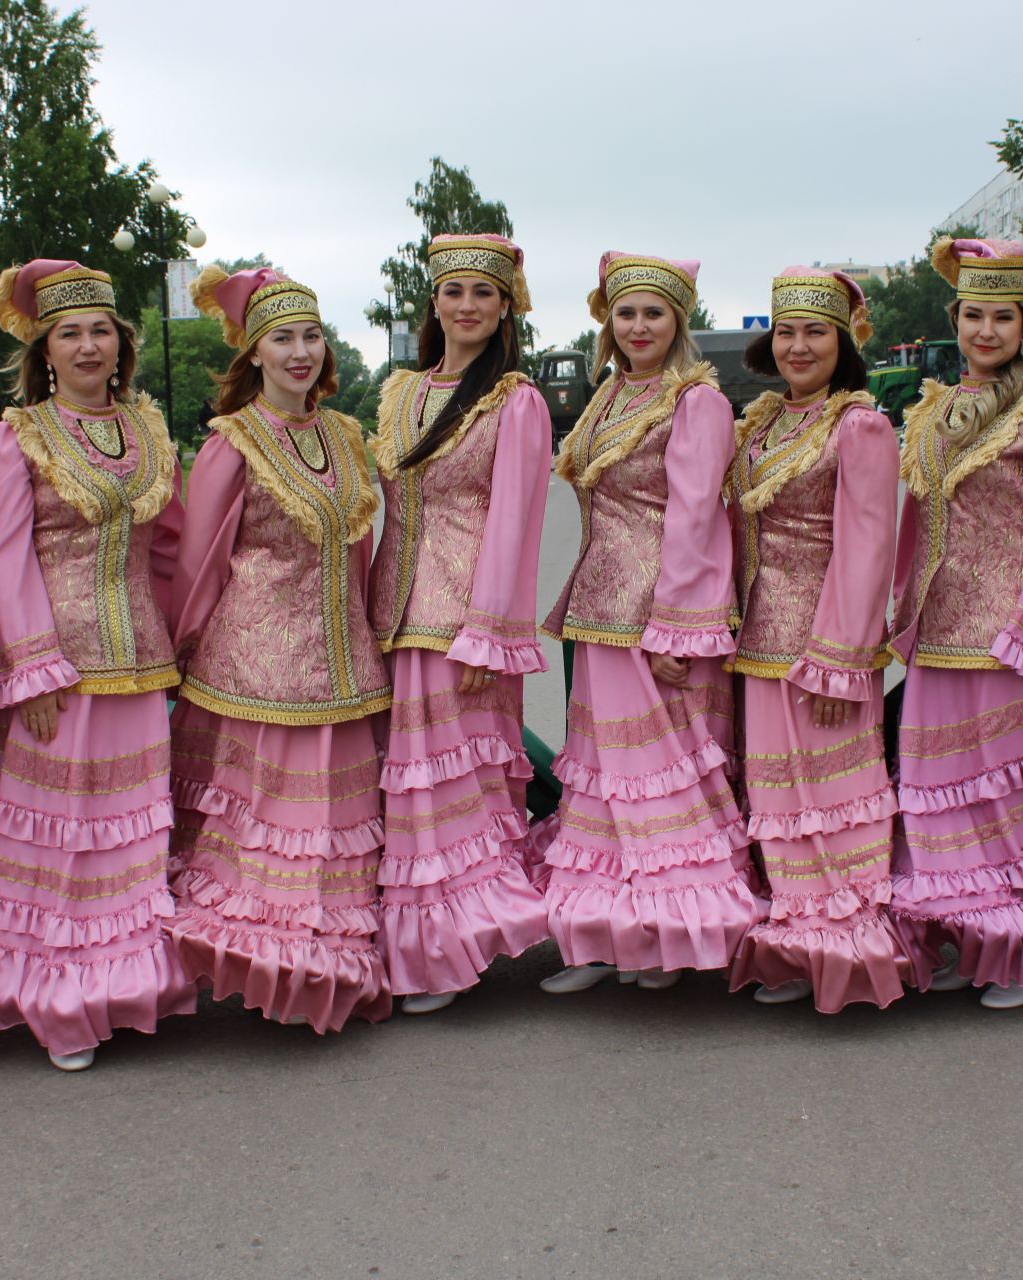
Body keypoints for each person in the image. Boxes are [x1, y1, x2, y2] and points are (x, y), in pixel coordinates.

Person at [0, 259, 191, 1070]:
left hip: (140, 663)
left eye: (101, 331)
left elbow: (171, 546)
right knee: (57, 837)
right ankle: (57, 998)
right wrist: (28, 666)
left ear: (122, 346)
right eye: (71, 334)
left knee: (130, 834)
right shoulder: (14, 437)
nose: (89, 346)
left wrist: (181, 640)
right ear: (45, 352)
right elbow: (0, 556)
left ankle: (123, 987)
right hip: (55, 671)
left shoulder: (150, 434)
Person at [165, 266, 392, 1032]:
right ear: (254, 355)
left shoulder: (344, 437)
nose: (300, 352)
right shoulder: (232, 443)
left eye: (311, 336)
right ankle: (267, 968)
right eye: (282, 339)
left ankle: (326, 968)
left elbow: (361, 551)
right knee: (268, 823)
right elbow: (199, 560)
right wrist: (183, 650)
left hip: (341, 657)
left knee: (331, 824)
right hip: (257, 662)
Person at [537, 251, 763, 994]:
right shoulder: (606, 399)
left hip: (653, 619)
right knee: (603, 779)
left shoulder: (696, 403)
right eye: (626, 312)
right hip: (599, 612)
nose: (638, 326)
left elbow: (700, 518)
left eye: (653, 314)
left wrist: (678, 627)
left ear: (679, 322)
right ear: (609, 320)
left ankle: (669, 933)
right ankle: (605, 935)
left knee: (657, 778)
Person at [886, 237, 1023, 1010]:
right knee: (937, 793)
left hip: (1007, 634)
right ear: (956, 320)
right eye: (973, 315)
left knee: (1005, 797)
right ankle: (964, 935)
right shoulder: (934, 409)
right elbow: (916, 519)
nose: (985, 331)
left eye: (1001, 317)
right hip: (936, 634)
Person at [367, 234, 551, 1014]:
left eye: (484, 293)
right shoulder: (399, 391)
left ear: (505, 307)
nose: (468, 306)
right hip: (392, 609)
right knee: (405, 787)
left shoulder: (515, 399)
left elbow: (516, 521)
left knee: (454, 787)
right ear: (433, 302)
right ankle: (413, 940)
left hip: (462, 621)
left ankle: (452, 946)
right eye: (454, 292)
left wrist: (489, 629)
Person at [722, 268, 910, 1011]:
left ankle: (847, 947)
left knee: (835, 798)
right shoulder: (762, 423)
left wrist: (839, 658)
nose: (799, 347)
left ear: (844, 341)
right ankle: (798, 942)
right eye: (788, 332)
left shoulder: (858, 425)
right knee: (778, 799)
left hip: (824, 648)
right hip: (759, 640)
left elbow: (867, 546)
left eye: (816, 332)